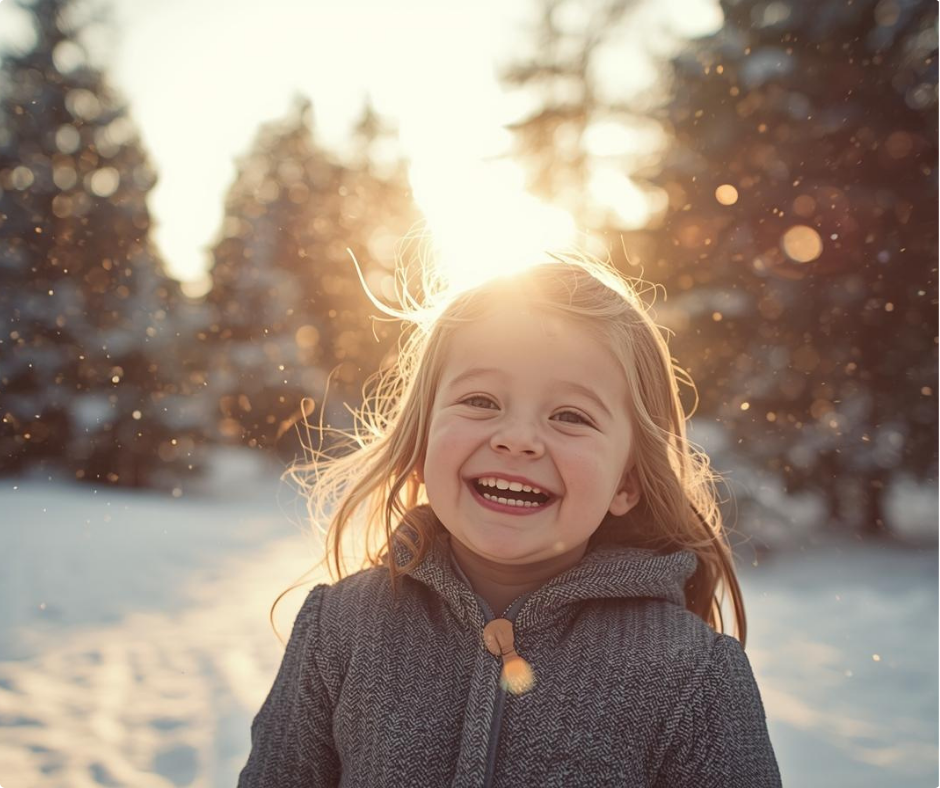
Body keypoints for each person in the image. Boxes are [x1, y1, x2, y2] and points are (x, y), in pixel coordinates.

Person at [237, 251, 783, 787]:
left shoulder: (692, 675)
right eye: (480, 401)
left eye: (570, 415)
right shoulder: (340, 628)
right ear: (422, 443)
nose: (517, 439)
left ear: (626, 482)